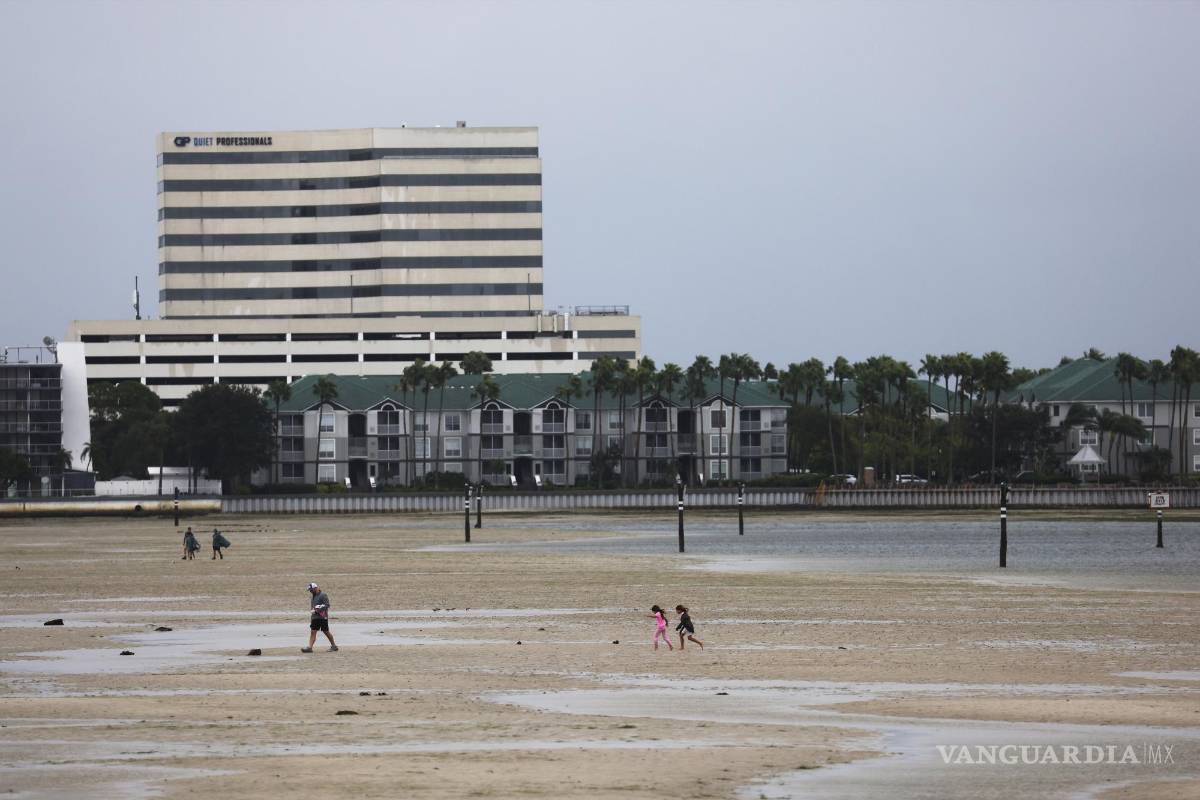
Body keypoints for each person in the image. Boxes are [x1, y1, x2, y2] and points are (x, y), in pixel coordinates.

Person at [302, 582, 338, 653]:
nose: (310, 591)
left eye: (311, 590)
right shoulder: (313, 596)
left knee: (326, 631)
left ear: (315, 588)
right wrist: (313, 613)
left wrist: (317, 610)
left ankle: (334, 646)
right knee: (313, 632)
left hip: (322, 617)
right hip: (315, 617)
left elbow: (327, 605)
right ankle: (310, 648)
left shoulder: (323, 595)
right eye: (310, 590)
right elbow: (314, 607)